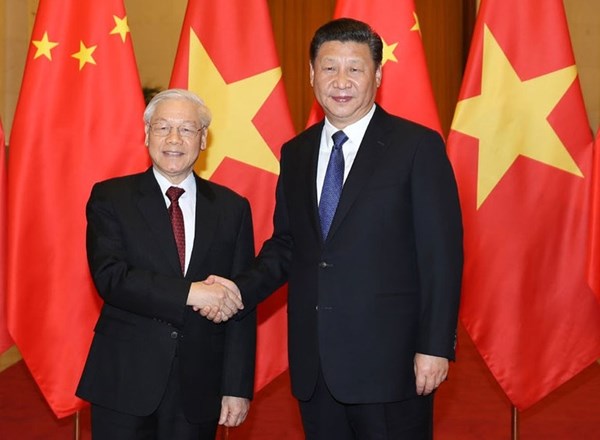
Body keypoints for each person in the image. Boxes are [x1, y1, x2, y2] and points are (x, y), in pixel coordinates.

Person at [208, 18, 463, 439]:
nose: (341, 81)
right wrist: (237, 290)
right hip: (316, 364)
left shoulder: (417, 146)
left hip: (392, 364)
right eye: (329, 68)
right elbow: (287, 245)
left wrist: (435, 346)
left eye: (355, 68)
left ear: (377, 76)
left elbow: (441, 256)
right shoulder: (296, 152)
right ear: (312, 74)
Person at [76, 89, 256, 440]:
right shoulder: (111, 197)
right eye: (162, 128)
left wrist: (236, 386)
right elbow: (111, 277)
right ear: (147, 134)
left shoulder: (232, 208)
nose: (174, 139)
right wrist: (191, 293)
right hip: (124, 380)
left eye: (187, 129)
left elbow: (239, 302)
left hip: (199, 385)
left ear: (203, 139)